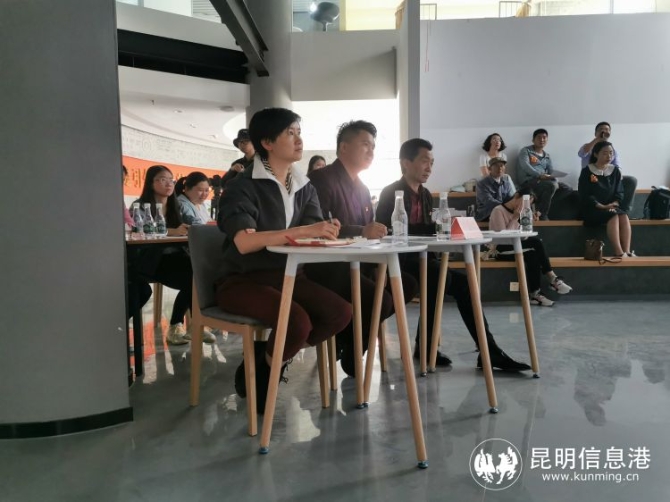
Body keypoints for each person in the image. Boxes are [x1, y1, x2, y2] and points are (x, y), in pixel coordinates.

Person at [216, 107, 352, 413]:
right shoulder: (242, 185)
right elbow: (245, 243)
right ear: (267, 142)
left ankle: (268, 360)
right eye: (290, 133)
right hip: (242, 281)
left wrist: (327, 232)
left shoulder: (304, 186)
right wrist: (304, 231)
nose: (299, 140)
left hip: (290, 276)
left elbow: (312, 234)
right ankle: (268, 369)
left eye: (299, 133)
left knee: (340, 313)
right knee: (297, 323)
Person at [376, 138, 531, 371]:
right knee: (440, 278)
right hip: (399, 263)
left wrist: (446, 227)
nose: (429, 168)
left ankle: (486, 350)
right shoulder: (391, 193)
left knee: (461, 282)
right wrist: (435, 228)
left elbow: (425, 231)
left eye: (432, 162)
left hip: (424, 259)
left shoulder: (425, 194)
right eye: (424, 161)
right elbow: (387, 232)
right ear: (406, 163)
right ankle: (429, 347)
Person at [307, 120, 419, 377]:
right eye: (365, 144)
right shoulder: (320, 180)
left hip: (359, 263)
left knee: (406, 284)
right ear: (344, 147)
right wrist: (361, 230)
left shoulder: (363, 188)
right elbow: (318, 226)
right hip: (325, 266)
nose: (371, 151)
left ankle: (348, 341)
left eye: (373, 146)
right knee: (379, 298)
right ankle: (352, 347)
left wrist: (377, 246)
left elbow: (368, 231)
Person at [134, 165, 215, 345]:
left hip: (176, 257)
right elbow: (138, 232)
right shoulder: (140, 206)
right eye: (163, 180)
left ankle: (194, 325)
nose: (169, 184)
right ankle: (181, 326)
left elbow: (187, 228)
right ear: (151, 182)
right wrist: (173, 232)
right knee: (192, 277)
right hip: (152, 260)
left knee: (200, 273)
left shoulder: (175, 206)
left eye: (171, 180)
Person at [489, 187, 573, 307]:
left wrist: (526, 221)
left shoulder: (522, 212)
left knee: (533, 255)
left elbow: (524, 237)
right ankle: (552, 278)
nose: (525, 206)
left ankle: (535, 293)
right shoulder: (498, 210)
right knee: (536, 242)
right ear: (516, 196)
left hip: (516, 246)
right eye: (525, 202)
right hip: (501, 249)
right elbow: (502, 238)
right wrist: (515, 218)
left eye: (528, 204)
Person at [578, 141, 634, 258]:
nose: (609, 156)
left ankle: (627, 251)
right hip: (593, 209)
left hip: (611, 207)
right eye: (605, 153)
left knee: (623, 215)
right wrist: (602, 206)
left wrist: (614, 203)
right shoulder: (587, 171)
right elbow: (585, 194)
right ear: (596, 154)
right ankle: (619, 252)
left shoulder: (615, 171)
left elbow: (619, 192)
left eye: (611, 153)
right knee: (613, 215)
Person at [577, 121, 637, 212]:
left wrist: (614, 177)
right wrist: (597, 139)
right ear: (595, 133)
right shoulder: (588, 146)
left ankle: (622, 210)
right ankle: (600, 207)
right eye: (601, 130)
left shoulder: (612, 149)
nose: (604, 131)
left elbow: (618, 167)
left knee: (631, 180)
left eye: (607, 130)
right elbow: (581, 153)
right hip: (591, 180)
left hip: (608, 179)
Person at [517, 128, 573, 220]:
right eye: (539, 137)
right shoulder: (526, 151)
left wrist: (555, 178)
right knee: (552, 185)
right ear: (533, 140)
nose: (542, 139)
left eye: (544, 137)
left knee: (567, 188)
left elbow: (551, 171)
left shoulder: (547, 156)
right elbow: (525, 166)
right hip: (529, 181)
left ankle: (539, 208)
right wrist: (539, 175)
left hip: (544, 182)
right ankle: (542, 214)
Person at [475, 157, 516, 221]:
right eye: (496, 166)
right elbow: (489, 202)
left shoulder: (506, 182)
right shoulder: (481, 184)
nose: (500, 168)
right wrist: (507, 206)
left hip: (503, 213)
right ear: (489, 168)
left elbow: (511, 198)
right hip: (487, 215)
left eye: (501, 165)